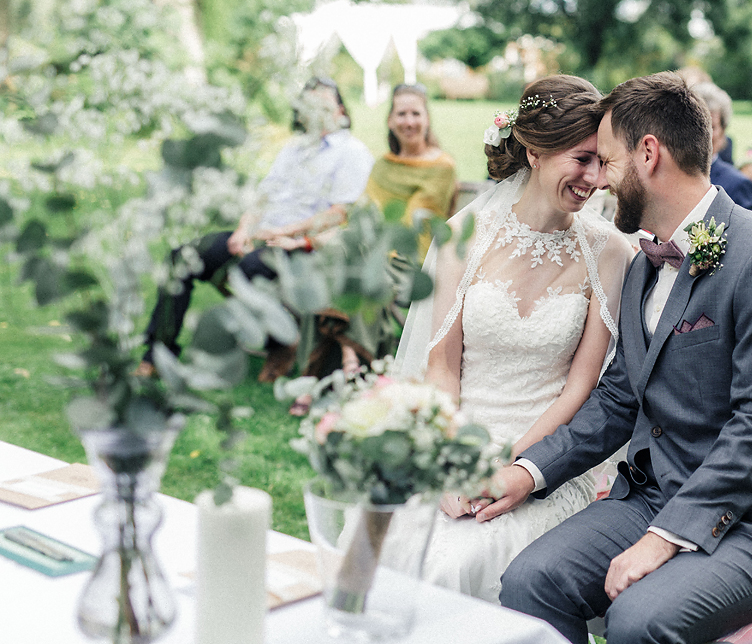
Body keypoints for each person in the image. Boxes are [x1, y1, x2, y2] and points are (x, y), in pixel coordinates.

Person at [488, 71, 752, 644]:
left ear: (648, 154)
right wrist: (528, 472)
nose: (599, 181)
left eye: (607, 161)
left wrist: (663, 538)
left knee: (638, 620)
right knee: (531, 582)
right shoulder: (641, 262)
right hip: (653, 494)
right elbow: (617, 400)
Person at [389, 75, 634, 603]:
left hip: (543, 459)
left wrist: (510, 468)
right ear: (534, 151)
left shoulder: (610, 253)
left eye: (601, 162)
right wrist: (450, 462)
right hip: (456, 438)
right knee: (401, 540)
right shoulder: (465, 236)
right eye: (581, 158)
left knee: (460, 562)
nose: (594, 178)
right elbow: (442, 369)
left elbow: (579, 389)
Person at [137, 77, 374, 379]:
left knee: (249, 269)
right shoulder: (293, 149)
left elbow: (338, 214)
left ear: (340, 111)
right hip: (262, 235)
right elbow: (263, 197)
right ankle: (157, 354)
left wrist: (284, 233)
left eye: (324, 106)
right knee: (182, 257)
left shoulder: (351, 152)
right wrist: (242, 229)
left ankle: (281, 341)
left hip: (303, 246)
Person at [365, 83, 458, 258]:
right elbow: (365, 214)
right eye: (401, 114)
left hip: (414, 260)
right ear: (390, 121)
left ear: (427, 119)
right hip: (371, 255)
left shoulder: (442, 167)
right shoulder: (382, 166)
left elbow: (418, 223)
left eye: (416, 114)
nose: (409, 122)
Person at [691, 82, 752, 210]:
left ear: (723, 131)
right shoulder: (667, 176)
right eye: (695, 125)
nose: (704, 134)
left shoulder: (738, 184)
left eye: (712, 127)